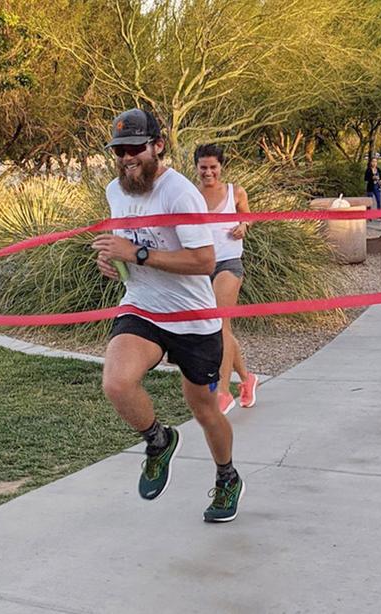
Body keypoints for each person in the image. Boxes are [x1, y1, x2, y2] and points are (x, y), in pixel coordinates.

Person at [92, 108, 243, 522]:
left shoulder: (179, 193)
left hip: (193, 318)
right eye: (119, 150)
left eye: (135, 148)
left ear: (158, 146)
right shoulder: (115, 191)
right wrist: (113, 263)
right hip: (143, 304)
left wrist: (137, 253)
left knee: (204, 410)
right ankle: (158, 441)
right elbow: (124, 249)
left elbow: (203, 260)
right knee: (117, 383)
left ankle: (227, 477)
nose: (126, 158)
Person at [194, 143, 259, 415]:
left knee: (220, 325)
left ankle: (222, 392)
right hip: (200, 266)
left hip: (229, 264)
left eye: (213, 167)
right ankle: (247, 379)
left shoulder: (236, 191)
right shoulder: (191, 194)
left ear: (221, 166)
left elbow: (248, 216)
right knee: (218, 328)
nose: (208, 173)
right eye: (203, 168)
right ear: (196, 167)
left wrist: (244, 225)